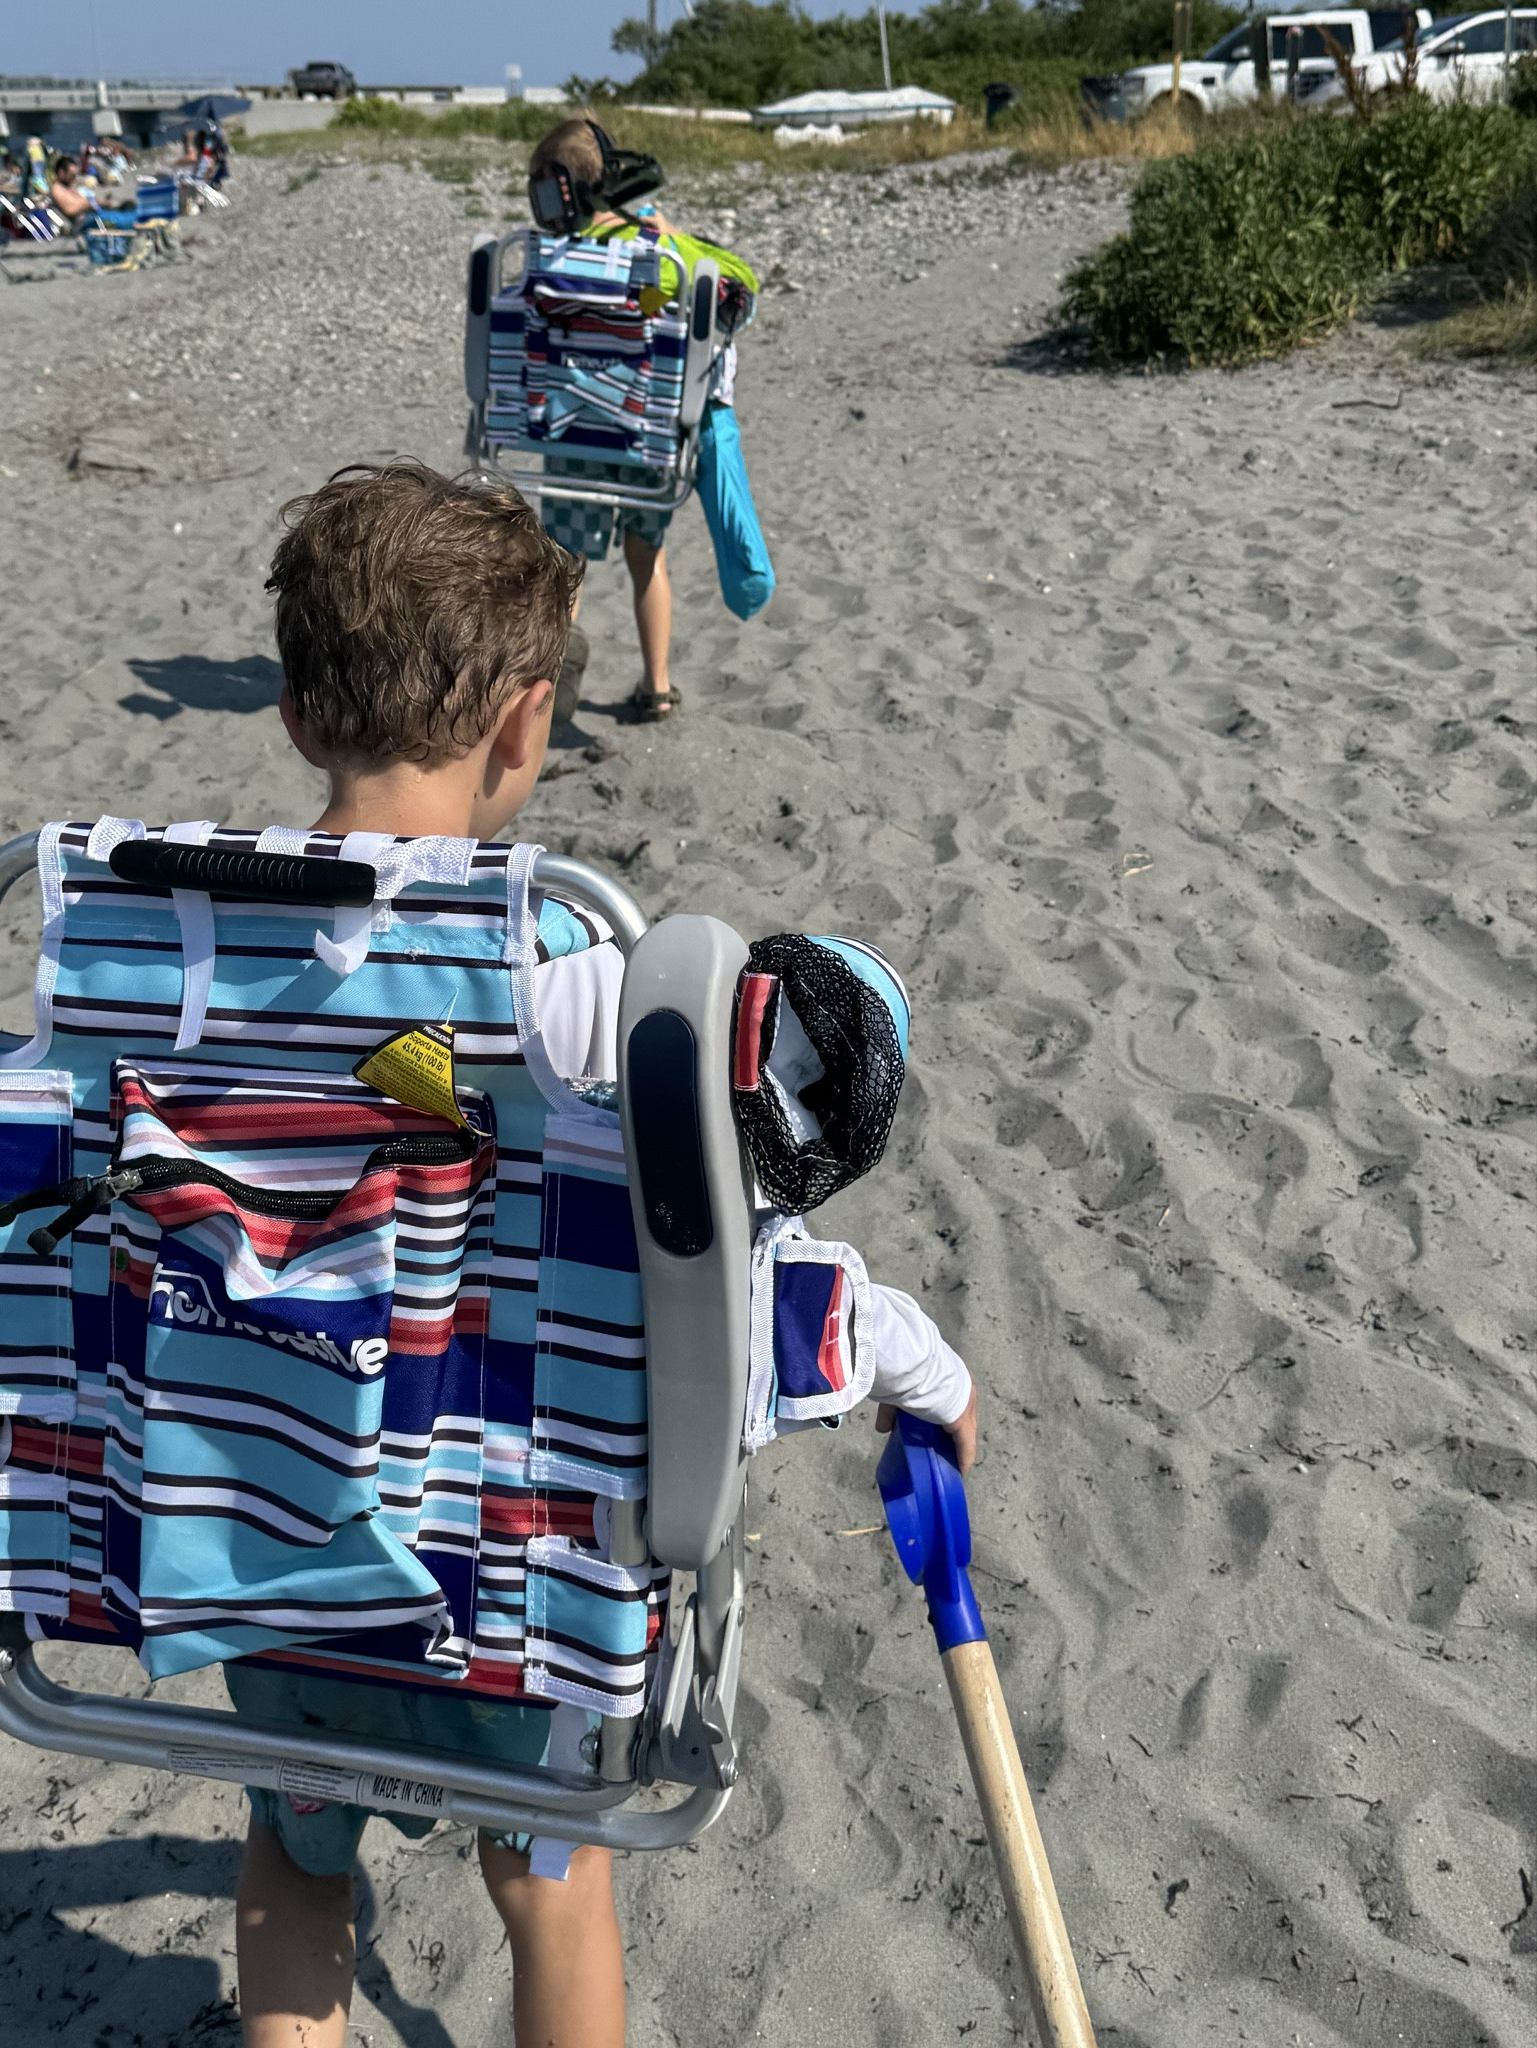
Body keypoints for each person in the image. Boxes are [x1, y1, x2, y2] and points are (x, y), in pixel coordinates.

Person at [231, 459, 977, 2048]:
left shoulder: (169, 953)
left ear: (296, 718)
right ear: (525, 727)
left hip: (259, 1561)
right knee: (549, 1884)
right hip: (504, 1601)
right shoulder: (575, 989)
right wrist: (924, 1367)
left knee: (292, 1873)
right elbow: (736, 1302)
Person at [527, 120, 758, 723]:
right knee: (646, 558)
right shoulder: (659, 249)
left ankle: (549, 678)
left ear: (560, 193)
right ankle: (657, 685)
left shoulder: (545, 258)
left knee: (567, 559)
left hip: (577, 434)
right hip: (646, 436)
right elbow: (741, 287)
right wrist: (676, 238)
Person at [45, 156, 94, 227]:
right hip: (75, 227)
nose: (74, 178)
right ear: (61, 172)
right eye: (71, 175)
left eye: (75, 175)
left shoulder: (67, 188)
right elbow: (69, 210)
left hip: (84, 221)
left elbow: (83, 201)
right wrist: (86, 204)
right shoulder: (56, 190)